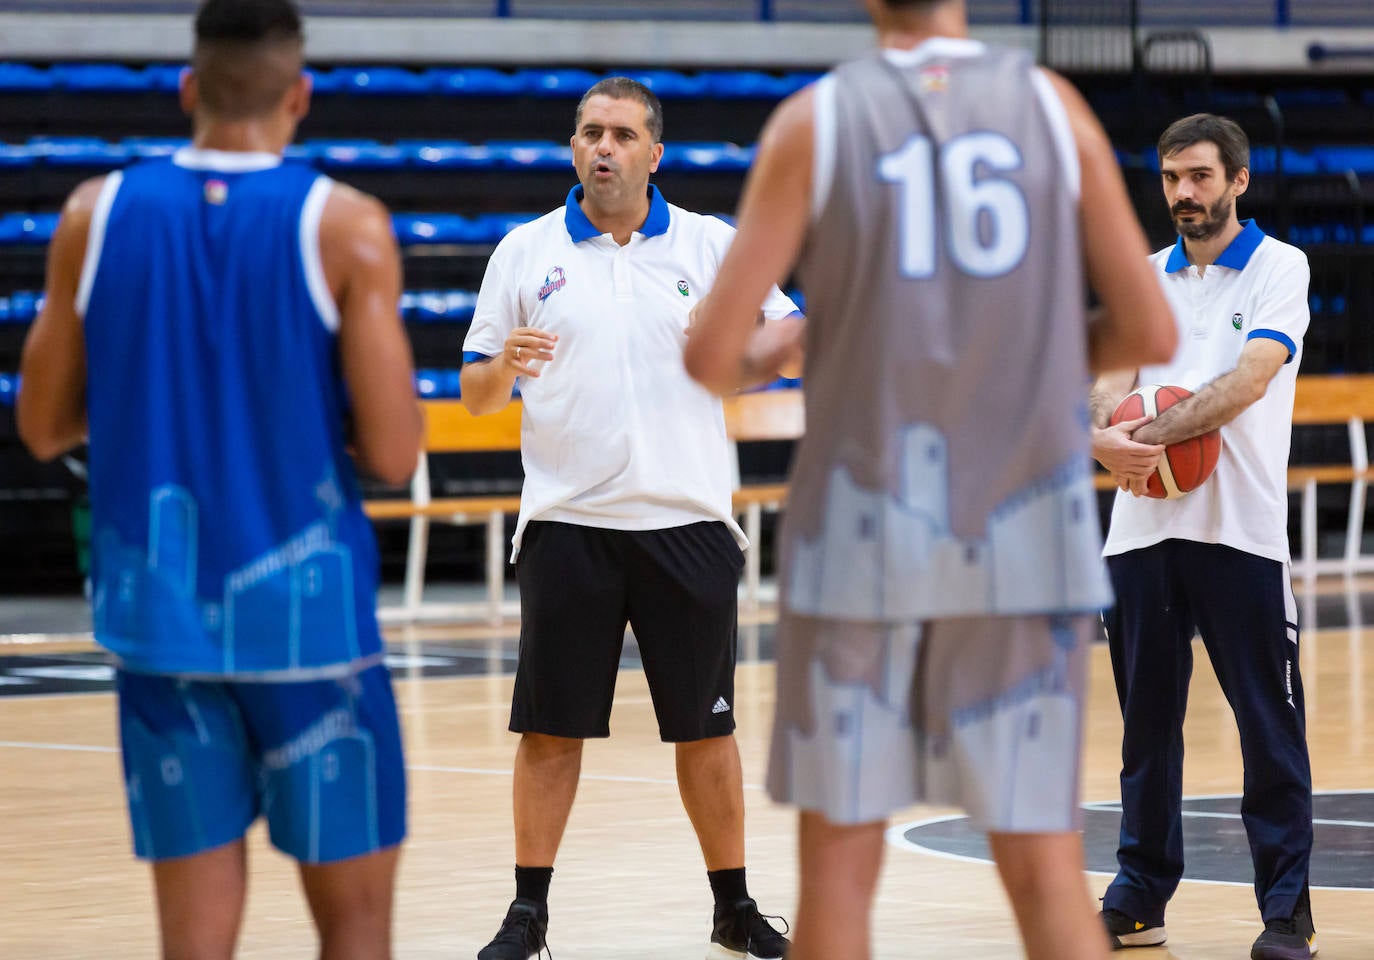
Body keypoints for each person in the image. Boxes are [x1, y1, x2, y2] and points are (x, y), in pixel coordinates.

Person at [684, 1, 1179, 959]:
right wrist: (1025, 358)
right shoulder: (1053, 108)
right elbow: (1151, 331)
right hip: (1022, 525)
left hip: (862, 528)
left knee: (837, 880)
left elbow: (711, 354)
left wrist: (810, 336)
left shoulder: (815, 119)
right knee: (1042, 871)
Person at [16, 1, 421, 957]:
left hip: (159, 629)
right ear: (301, 95)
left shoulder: (92, 213)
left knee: (192, 945)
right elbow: (398, 452)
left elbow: (40, 425)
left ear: (189, 88)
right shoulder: (349, 228)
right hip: (310, 637)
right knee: (355, 931)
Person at [460, 76, 800, 960]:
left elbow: (788, 340)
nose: (601, 147)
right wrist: (507, 367)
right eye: (587, 133)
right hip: (568, 521)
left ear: (655, 150)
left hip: (686, 519)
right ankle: (527, 915)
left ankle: (733, 908)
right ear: (573, 147)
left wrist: (738, 356)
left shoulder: (711, 244)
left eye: (619, 134)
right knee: (550, 728)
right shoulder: (524, 251)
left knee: (707, 728)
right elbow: (475, 389)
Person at [1089, 113, 1316, 959]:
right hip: (1141, 536)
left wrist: (1142, 438)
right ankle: (1139, 897)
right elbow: (1107, 386)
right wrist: (1101, 434)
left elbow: (1251, 377)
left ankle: (1286, 912)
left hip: (1242, 535)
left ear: (1238, 181)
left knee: (1268, 726)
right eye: (1172, 178)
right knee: (1145, 730)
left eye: (1200, 177)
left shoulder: (1278, 266)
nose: (1184, 193)